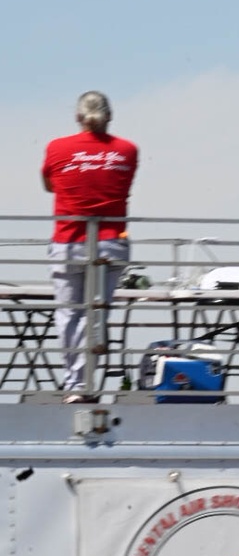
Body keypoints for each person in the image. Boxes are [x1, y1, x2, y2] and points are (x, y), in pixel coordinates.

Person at [41, 91, 139, 402]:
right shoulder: (127, 150)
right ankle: (84, 384)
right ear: (109, 115)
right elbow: (122, 187)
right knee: (95, 315)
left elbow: (49, 185)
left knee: (69, 314)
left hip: (68, 242)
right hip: (111, 243)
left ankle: (75, 386)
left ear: (78, 116)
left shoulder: (57, 148)